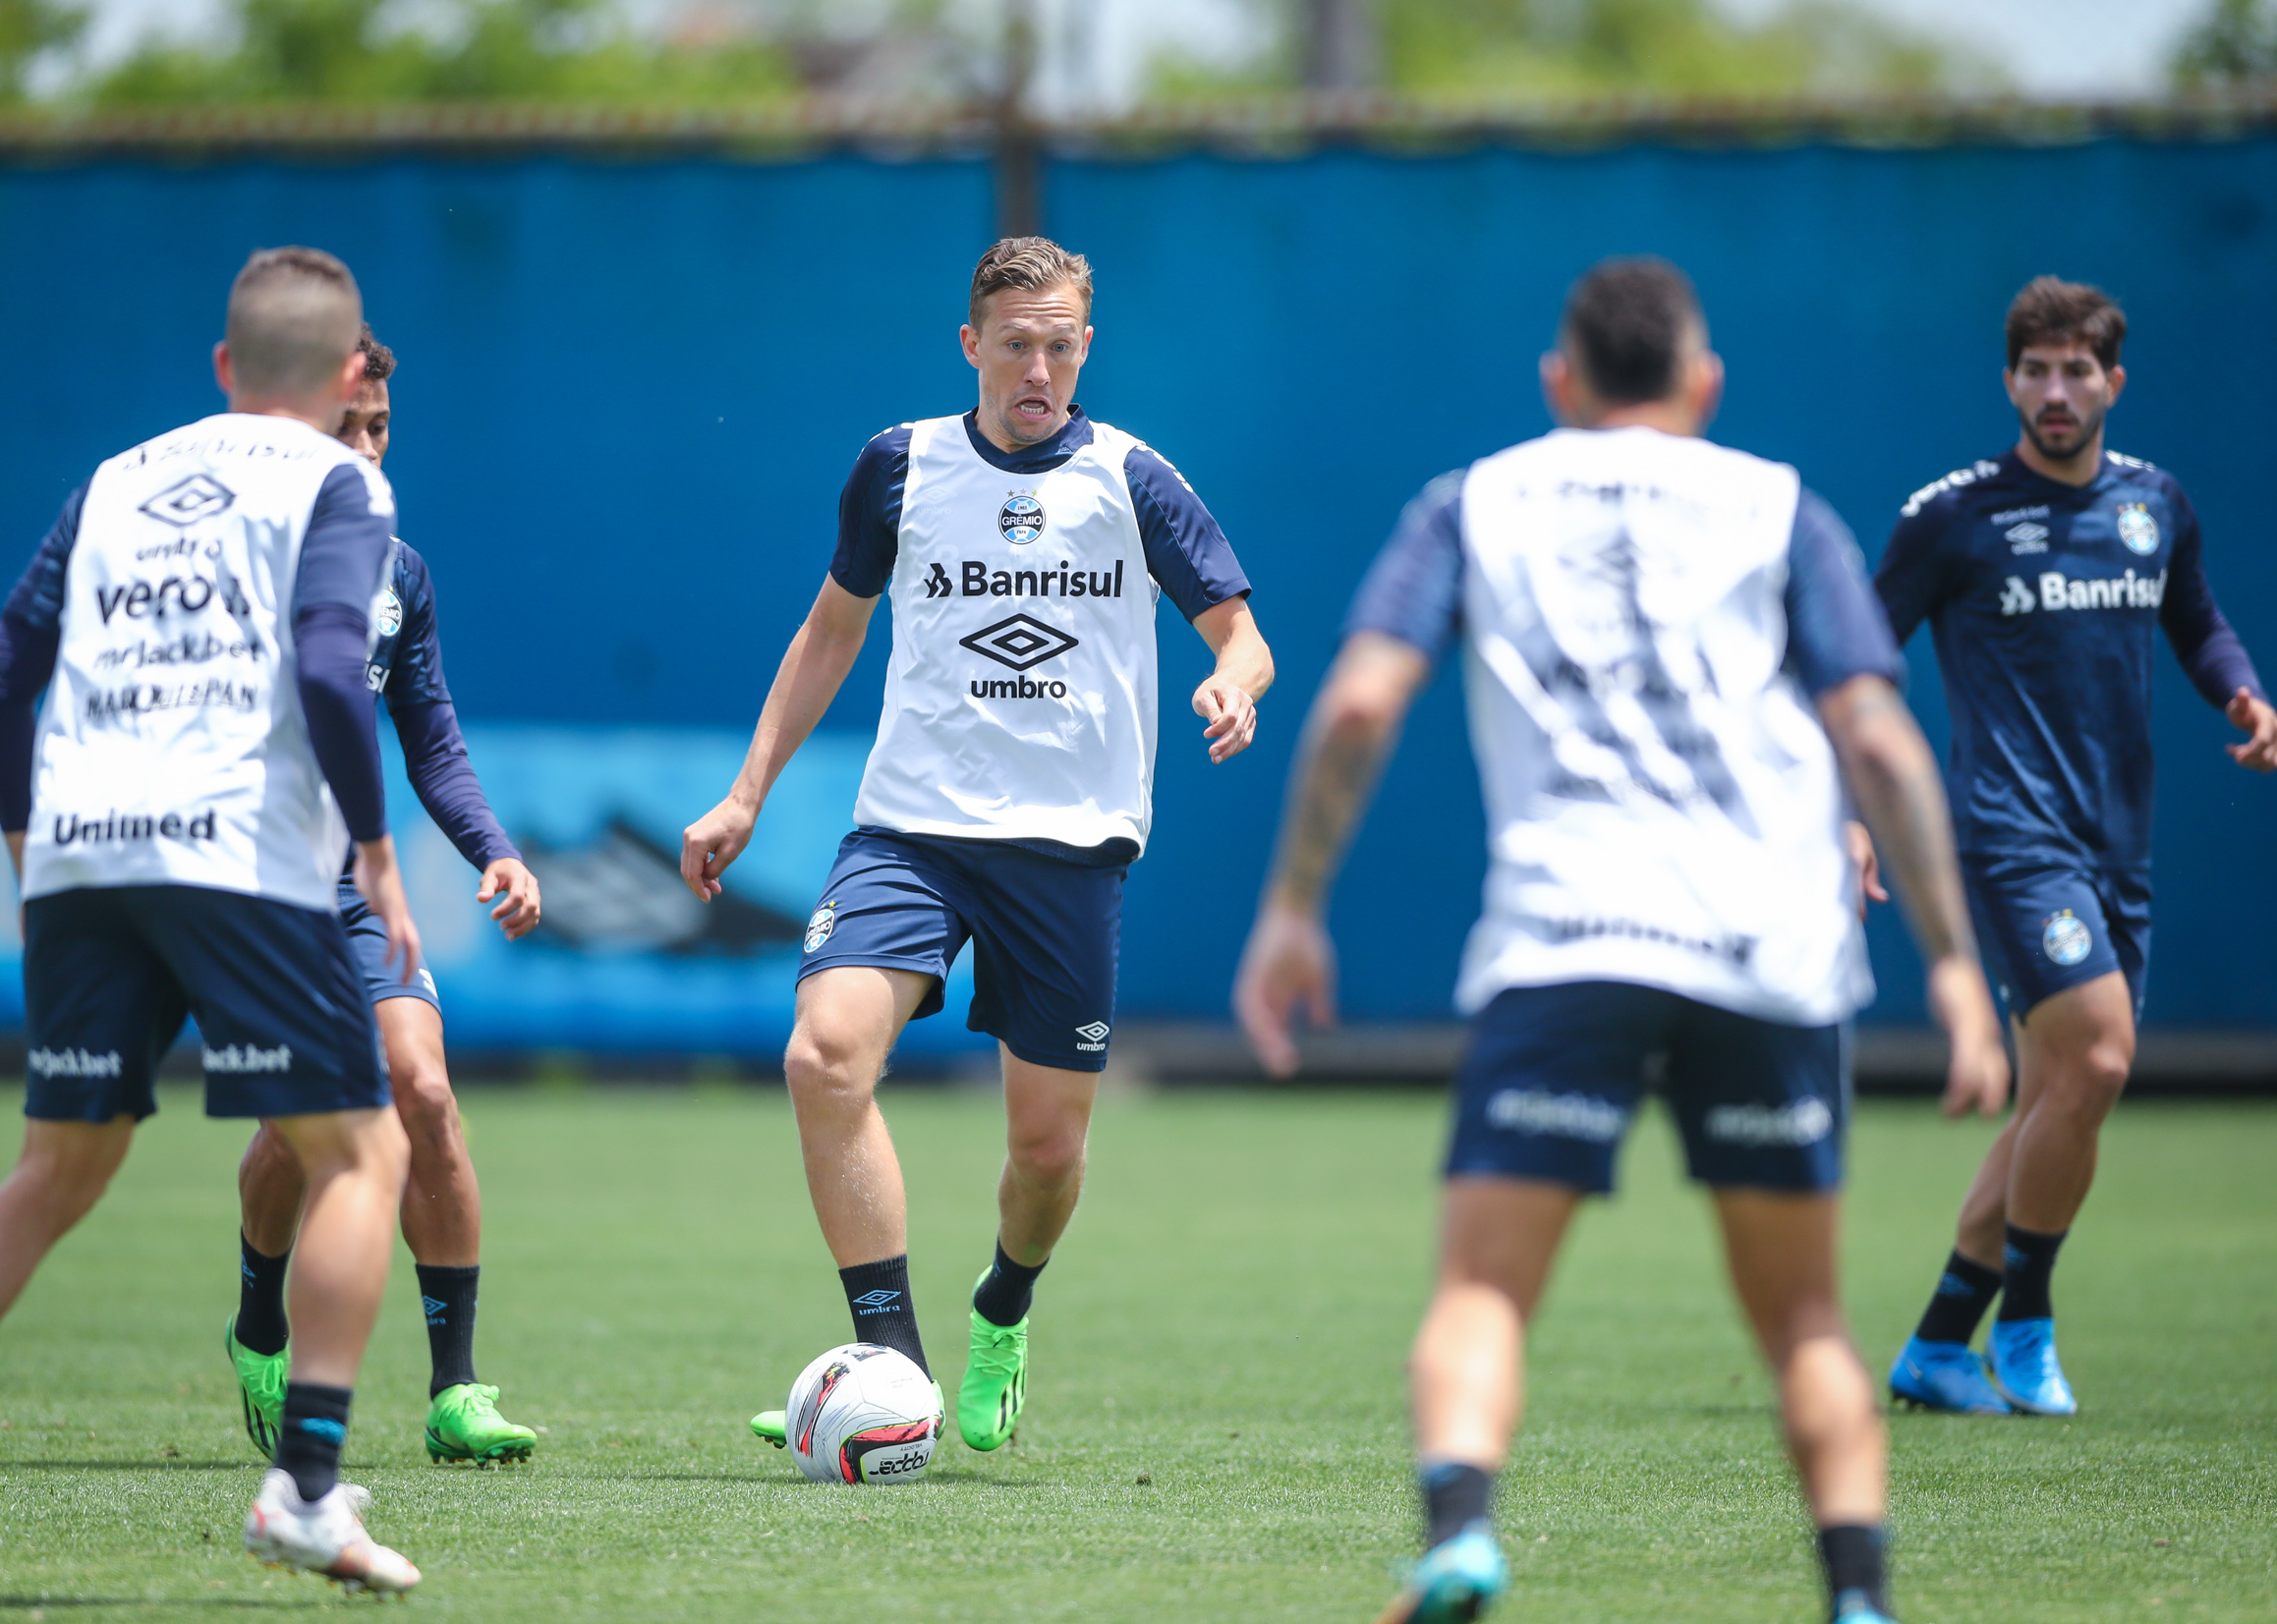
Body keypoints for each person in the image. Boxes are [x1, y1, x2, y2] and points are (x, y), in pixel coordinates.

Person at [1233, 257, 2009, 1624]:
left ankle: (1463, 1533)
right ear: (1704, 383)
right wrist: (1952, 964)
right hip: (1763, 949)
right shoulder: (1779, 506)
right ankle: (1860, 1596)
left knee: (1482, 1288)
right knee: (1807, 1324)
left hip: (1567, 939)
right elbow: (1879, 737)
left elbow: (1356, 709)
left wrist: (1293, 906)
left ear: (1559, 381)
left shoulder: (1472, 501)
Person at [0, 249, 424, 1596]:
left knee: (58, 1167)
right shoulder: (346, 480)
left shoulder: (114, 479)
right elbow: (338, 667)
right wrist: (382, 856)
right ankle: (311, 1485)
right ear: (350, 380)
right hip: (234, 853)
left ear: (223, 367)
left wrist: (23, 844)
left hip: (83, 856)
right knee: (359, 1154)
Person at [682, 237, 1274, 1454]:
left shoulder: (1132, 478)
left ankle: (1001, 1308)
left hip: (1068, 851)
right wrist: (745, 795)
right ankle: (889, 1366)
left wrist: (1234, 682)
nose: (1038, 369)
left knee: (1046, 1156)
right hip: (913, 831)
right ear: (971, 346)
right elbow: (828, 632)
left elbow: (1240, 632)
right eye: (1016, 346)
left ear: (1085, 349)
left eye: (1061, 346)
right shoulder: (899, 466)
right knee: (823, 1057)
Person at [1877, 277, 2275, 1418]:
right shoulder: (1951, 517)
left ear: (2111, 381)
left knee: (2060, 1096)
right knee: (2095, 1061)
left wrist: (2241, 696)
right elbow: (1854, 659)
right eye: (2034, 371)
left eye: (2075, 371)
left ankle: (1937, 1345)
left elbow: (2194, 619)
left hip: (2118, 840)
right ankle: (2029, 1321)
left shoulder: (2153, 504)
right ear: (2008, 381)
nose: (2055, 392)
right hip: (2010, 832)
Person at [223, 325, 544, 1470]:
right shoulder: (229, 556)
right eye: (344, 428)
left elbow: (434, 743)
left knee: (424, 1091)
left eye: (380, 431)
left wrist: (493, 851)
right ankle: (260, 1319)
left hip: (354, 893)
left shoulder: (398, 574)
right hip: (252, 892)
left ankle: (455, 1391)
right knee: (297, 1133)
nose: (365, 449)